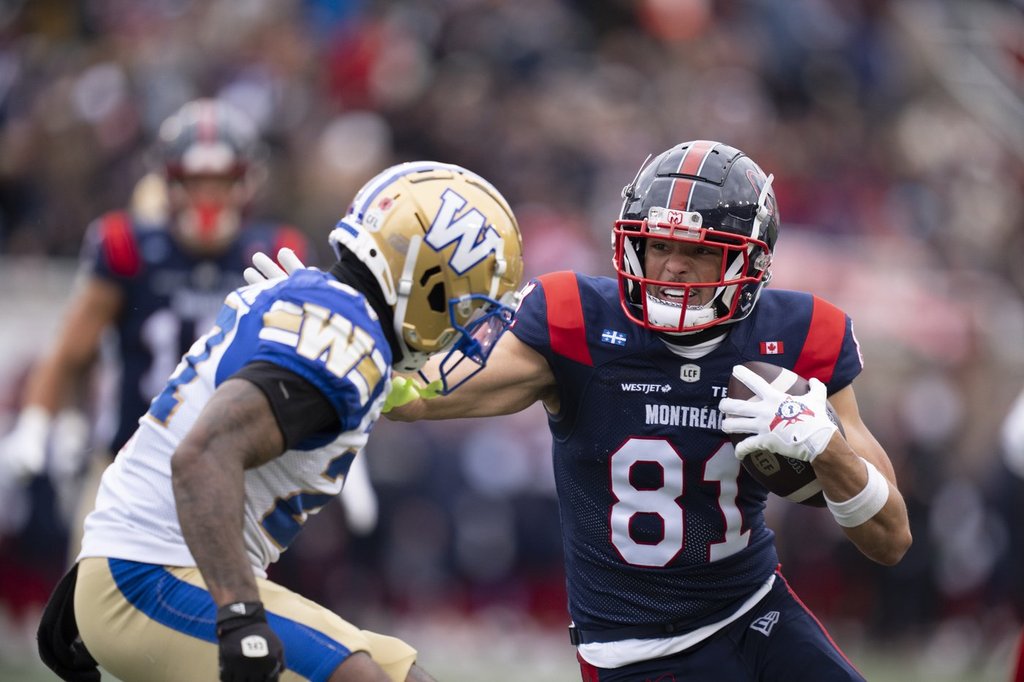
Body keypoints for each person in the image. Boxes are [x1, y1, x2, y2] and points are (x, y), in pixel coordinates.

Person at [383, 141, 912, 681]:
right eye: (658, 245)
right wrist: (342, 339)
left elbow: (891, 538)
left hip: (755, 611)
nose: (674, 267)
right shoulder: (578, 322)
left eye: (701, 251)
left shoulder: (796, 336)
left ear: (750, 260)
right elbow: (420, 394)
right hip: (636, 653)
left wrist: (826, 448)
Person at [35, 160, 525, 682]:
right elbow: (201, 455)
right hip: (155, 574)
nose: (469, 333)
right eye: (469, 308)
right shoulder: (342, 336)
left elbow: (177, 427)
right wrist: (240, 615)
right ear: (428, 284)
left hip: (152, 565)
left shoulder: (333, 317)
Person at [0, 98, 315, 554]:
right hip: (128, 460)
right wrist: (38, 422)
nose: (209, 197)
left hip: (230, 470)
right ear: (169, 181)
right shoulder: (129, 247)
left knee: (220, 610)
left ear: (246, 181)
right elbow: (72, 351)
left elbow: (303, 364)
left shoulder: (274, 251)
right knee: (87, 598)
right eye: (195, 181)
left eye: (221, 181)